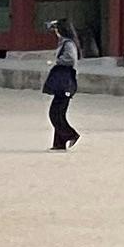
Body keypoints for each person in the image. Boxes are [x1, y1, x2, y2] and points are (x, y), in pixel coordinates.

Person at [44, 21, 81, 151]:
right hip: (63, 81)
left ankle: (71, 134)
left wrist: (56, 61)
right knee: (59, 112)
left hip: (65, 81)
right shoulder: (66, 42)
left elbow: (70, 59)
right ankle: (59, 142)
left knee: (55, 113)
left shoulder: (68, 43)